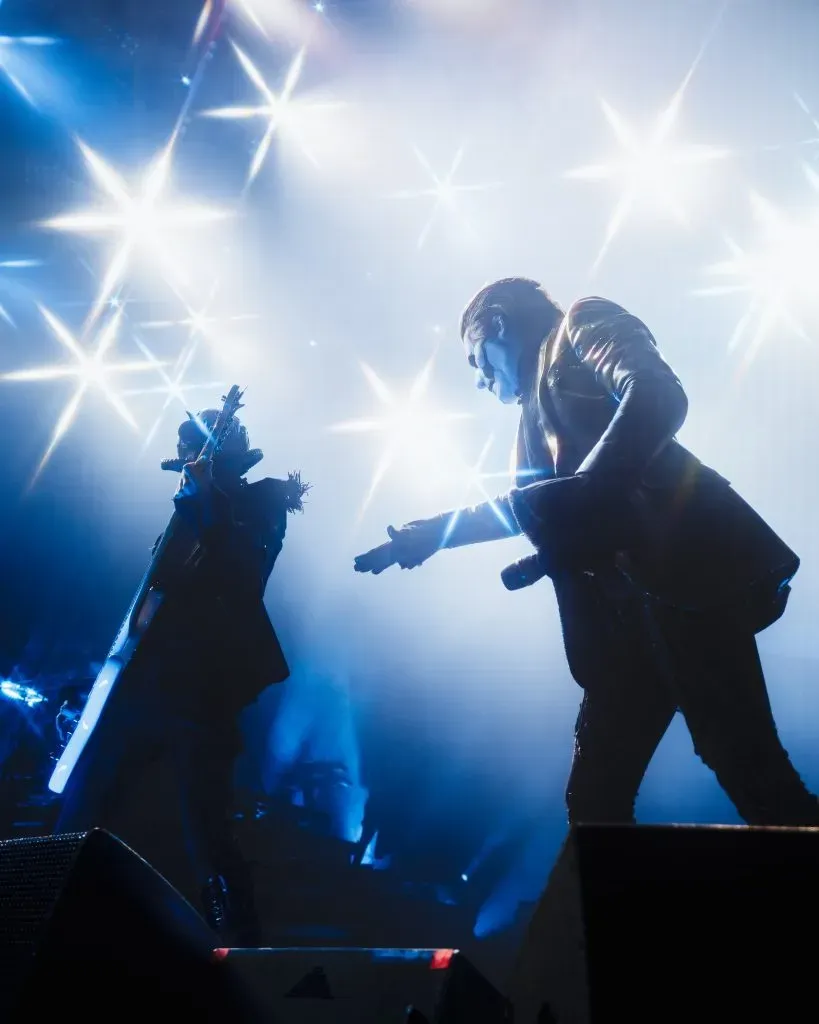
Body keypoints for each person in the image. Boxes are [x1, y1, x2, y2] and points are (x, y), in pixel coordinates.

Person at [354, 278, 819, 827]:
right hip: (619, 625)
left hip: (681, 587)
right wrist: (429, 533)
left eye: (475, 357)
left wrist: (586, 495)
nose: (479, 379)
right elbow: (529, 506)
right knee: (597, 797)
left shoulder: (579, 323)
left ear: (498, 322)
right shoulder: (528, 421)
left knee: (748, 769)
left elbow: (656, 394)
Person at [54, 410, 307, 940]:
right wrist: (100, 687)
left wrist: (207, 501)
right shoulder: (189, 509)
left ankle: (237, 950)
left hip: (202, 689)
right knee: (82, 804)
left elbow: (244, 578)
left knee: (206, 829)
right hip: (145, 683)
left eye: (201, 454)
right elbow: (151, 604)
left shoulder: (261, 501)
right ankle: (48, 915)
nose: (191, 466)